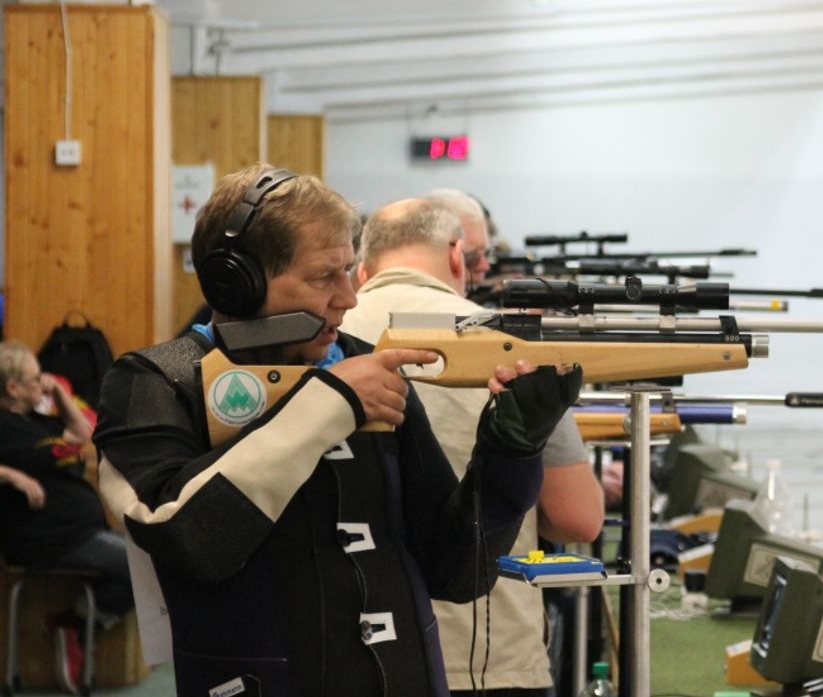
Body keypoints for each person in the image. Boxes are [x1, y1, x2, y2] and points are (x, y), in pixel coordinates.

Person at [93, 164, 581, 697]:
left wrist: (509, 453)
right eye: (325, 277)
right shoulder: (156, 382)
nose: (348, 298)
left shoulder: (360, 366)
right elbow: (187, 538)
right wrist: (330, 403)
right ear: (237, 282)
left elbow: (457, 571)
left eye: (350, 270)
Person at [342, 197, 604, 697]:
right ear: (457, 257)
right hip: (488, 652)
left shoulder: (321, 343)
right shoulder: (513, 346)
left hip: (351, 648)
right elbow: (578, 519)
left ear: (361, 270)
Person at [0, 340, 133, 695]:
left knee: (148, 555)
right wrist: (14, 476)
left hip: (82, 530)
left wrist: (59, 391)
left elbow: (81, 436)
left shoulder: (39, 422)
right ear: (13, 387)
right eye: (36, 378)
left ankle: (75, 621)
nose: (42, 382)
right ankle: (73, 623)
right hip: (46, 536)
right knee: (141, 564)